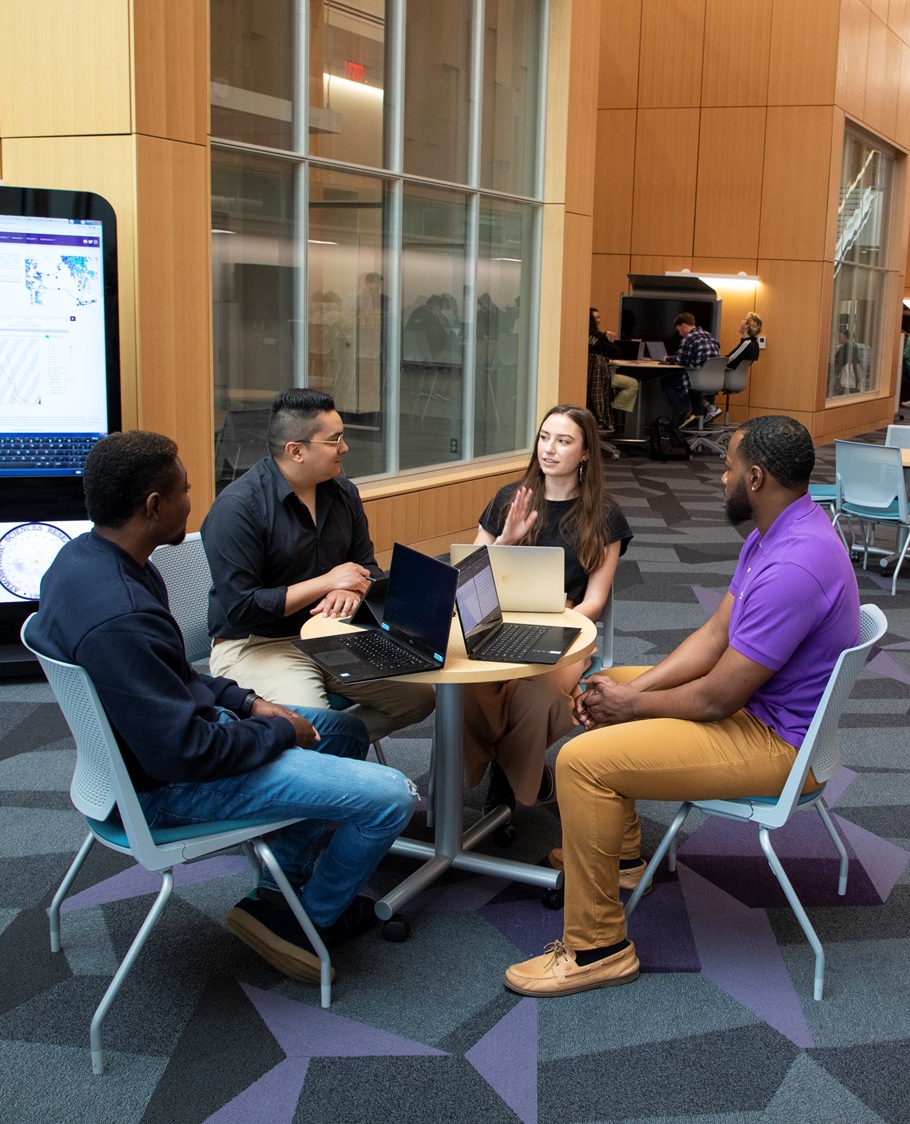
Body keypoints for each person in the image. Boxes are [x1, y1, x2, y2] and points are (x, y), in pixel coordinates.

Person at [36, 431, 417, 984]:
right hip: (162, 789)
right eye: (186, 490)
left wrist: (250, 702)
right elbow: (184, 753)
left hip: (145, 755)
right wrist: (280, 733)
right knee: (392, 796)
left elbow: (172, 677)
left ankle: (277, 890)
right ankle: (306, 921)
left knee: (344, 733)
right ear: (153, 506)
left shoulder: (85, 561)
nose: (193, 500)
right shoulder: (120, 614)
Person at [502, 416, 861, 998]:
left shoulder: (795, 565)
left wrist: (634, 710)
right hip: (758, 711)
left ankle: (597, 948)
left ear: (757, 478)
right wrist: (631, 694)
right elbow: (715, 635)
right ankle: (619, 859)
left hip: (773, 741)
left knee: (581, 762)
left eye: (730, 466)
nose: (721, 477)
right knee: (609, 680)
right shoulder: (776, 533)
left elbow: (720, 694)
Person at [202, 388, 435, 737]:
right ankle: (320, 748)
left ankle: (333, 746)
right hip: (256, 644)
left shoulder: (342, 493)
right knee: (311, 726)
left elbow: (368, 569)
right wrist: (327, 583)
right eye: (335, 439)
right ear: (296, 451)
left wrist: (355, 593)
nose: (345, 447)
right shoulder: (238, 508)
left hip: (328, 634)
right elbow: (242, 608)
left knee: (419, 700)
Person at [463, 404, 632, 809]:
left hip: (567, 626)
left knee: (539, 696)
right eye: (544, 438)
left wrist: (558, 621)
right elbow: (466, 579)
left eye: (563, 441)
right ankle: (521, 767)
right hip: (498, 621)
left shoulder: (603, 515)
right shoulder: (510, 499)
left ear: (586, 453)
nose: (549, 449)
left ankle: (505, 788)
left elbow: (595, 600)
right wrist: (505, 540)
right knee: (463, 690)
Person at [661, 311, 720, 428]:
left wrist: (667, 358)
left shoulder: (689, 338)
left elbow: (681, 360)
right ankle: (695, 414)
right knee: (687, 383)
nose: (680, 334)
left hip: (696, 379)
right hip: (713, 380)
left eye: (679, 330)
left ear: (684, 326)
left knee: (666, 382)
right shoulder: (711, 336)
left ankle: (685, 413)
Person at [588, 308, 638, 426]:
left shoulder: (579, 336)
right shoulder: (599, 336)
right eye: (597, 318)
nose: (599, 320)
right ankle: (611, 410)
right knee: (633, 384)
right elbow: (616, 353)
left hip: (585, 380)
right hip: (600, 379)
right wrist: (609, 339)